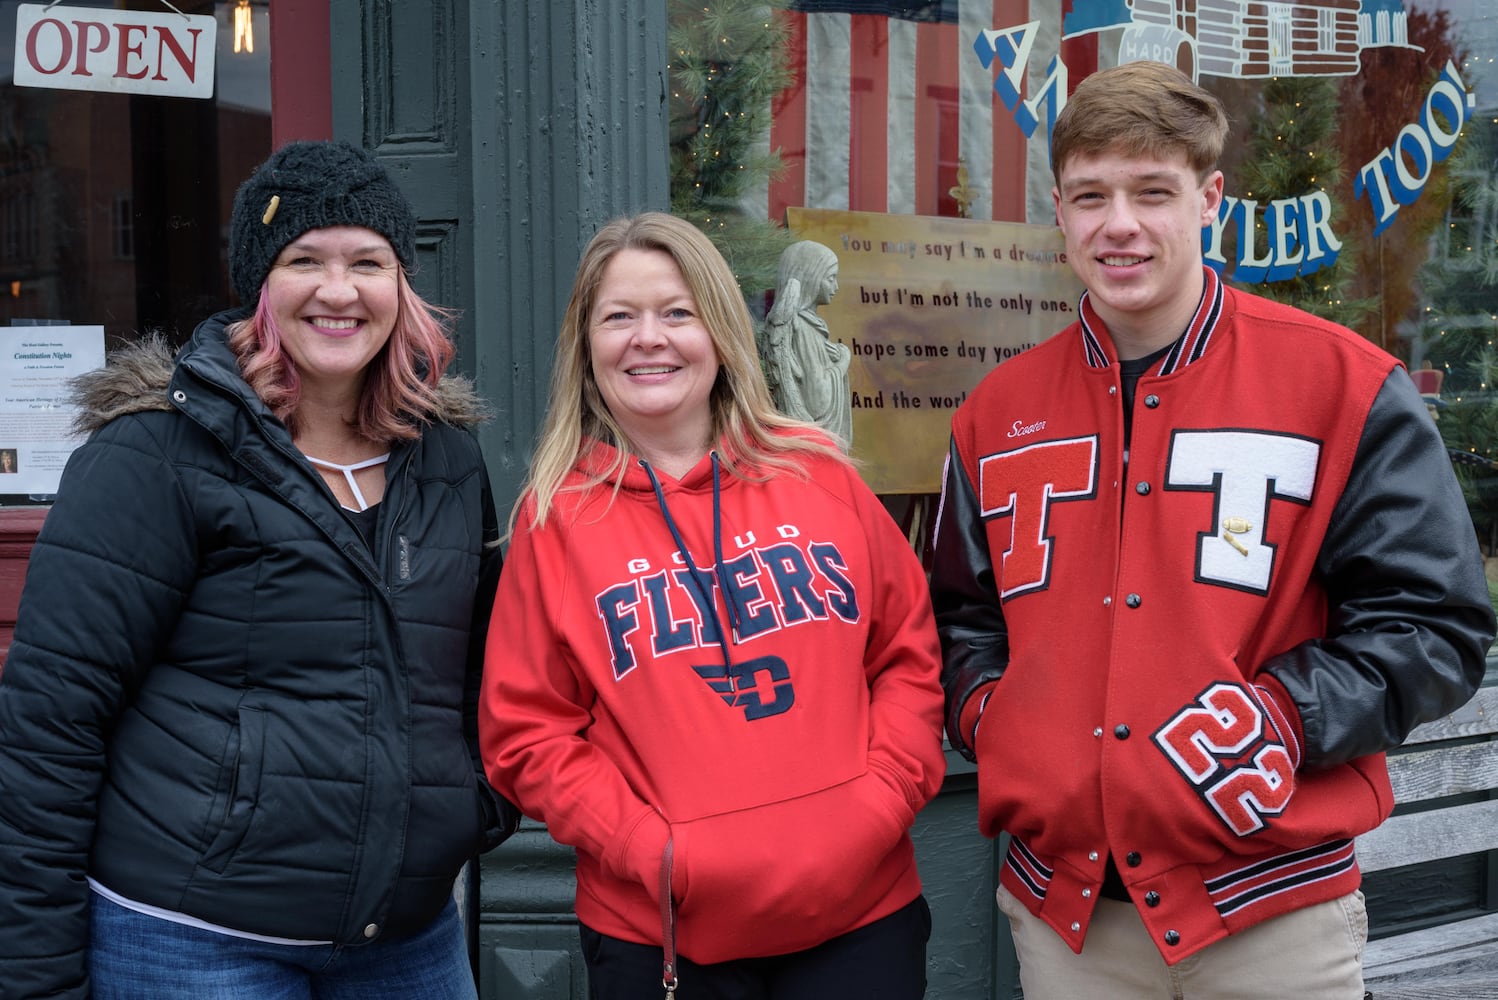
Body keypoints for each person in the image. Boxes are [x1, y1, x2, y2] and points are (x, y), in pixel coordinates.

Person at [929, 60, 1496, 1000]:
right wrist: (1002, 718)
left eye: (1154, 192)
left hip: (1271, 921)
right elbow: (960, 621)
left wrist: (1279, 716)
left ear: (1211, 200)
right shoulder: (995, 414)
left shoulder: (1341, 387)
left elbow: (1435, 626)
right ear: (1061, 214)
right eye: (1091, 196)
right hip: (1065, 925)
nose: (1120, 224)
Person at [0, 139, 518, 1000]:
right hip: (192, 942)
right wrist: (36, 976)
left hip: (408, 941)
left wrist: (463, 808)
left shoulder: (447, 460)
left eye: (368, 262)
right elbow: (50, 727)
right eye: (303, 259)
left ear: (402, 285)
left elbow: (482, 678)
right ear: (259, 285)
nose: (339, 290)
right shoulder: (162, 453)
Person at [479, 212, 945, 1000]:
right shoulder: (555, 520)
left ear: (721, 332)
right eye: (618, 317)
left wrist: (878, 803)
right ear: (587, 348)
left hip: (862, 918)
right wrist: (655, 853)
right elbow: (528, 733)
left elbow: (906, 652)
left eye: (676, 312)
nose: (647, 338)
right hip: (663, 934)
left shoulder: (818, 475)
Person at [761, 240, 852, 446]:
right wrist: (843, 363)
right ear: (812, 278)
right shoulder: (803, 329)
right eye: (830, 279)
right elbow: (818, 400)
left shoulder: (807, 326)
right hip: (815, 445)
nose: (836, 287)